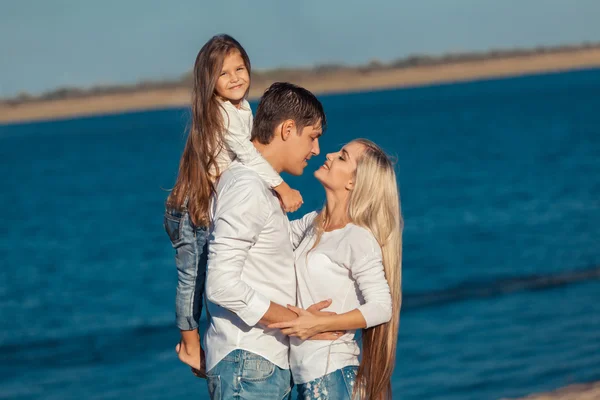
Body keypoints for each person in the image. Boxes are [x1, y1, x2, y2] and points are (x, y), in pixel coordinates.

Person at [163, 35, 303, 373]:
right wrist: (282, 186)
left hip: (206, 206)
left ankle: (208, 339)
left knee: (215, 267)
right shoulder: (219, 113)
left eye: (240, 68)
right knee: (193, 277)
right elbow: (248, 157)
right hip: (189, 210)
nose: (236, 78)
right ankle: (190, 344)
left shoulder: (242, 109)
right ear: (210, 83)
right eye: (224, 74)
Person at [204, 82, 339, 400]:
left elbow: (272, 243)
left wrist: (340, 212)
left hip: (259, 365)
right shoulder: (248, 187)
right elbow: (221, 284)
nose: (316, 149)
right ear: (288, 129)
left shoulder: (257, 187)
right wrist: (301, 321)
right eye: (313, 136)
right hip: (248, 363)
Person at [270, 139, 403, 399]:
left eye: (342, 157)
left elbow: (381, 307)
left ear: (353, 182)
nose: (329, 154)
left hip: (333, 376)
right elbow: (268, 235)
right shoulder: (312, 223)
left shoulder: (357, 237)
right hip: (307, 378)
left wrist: (321, 323)